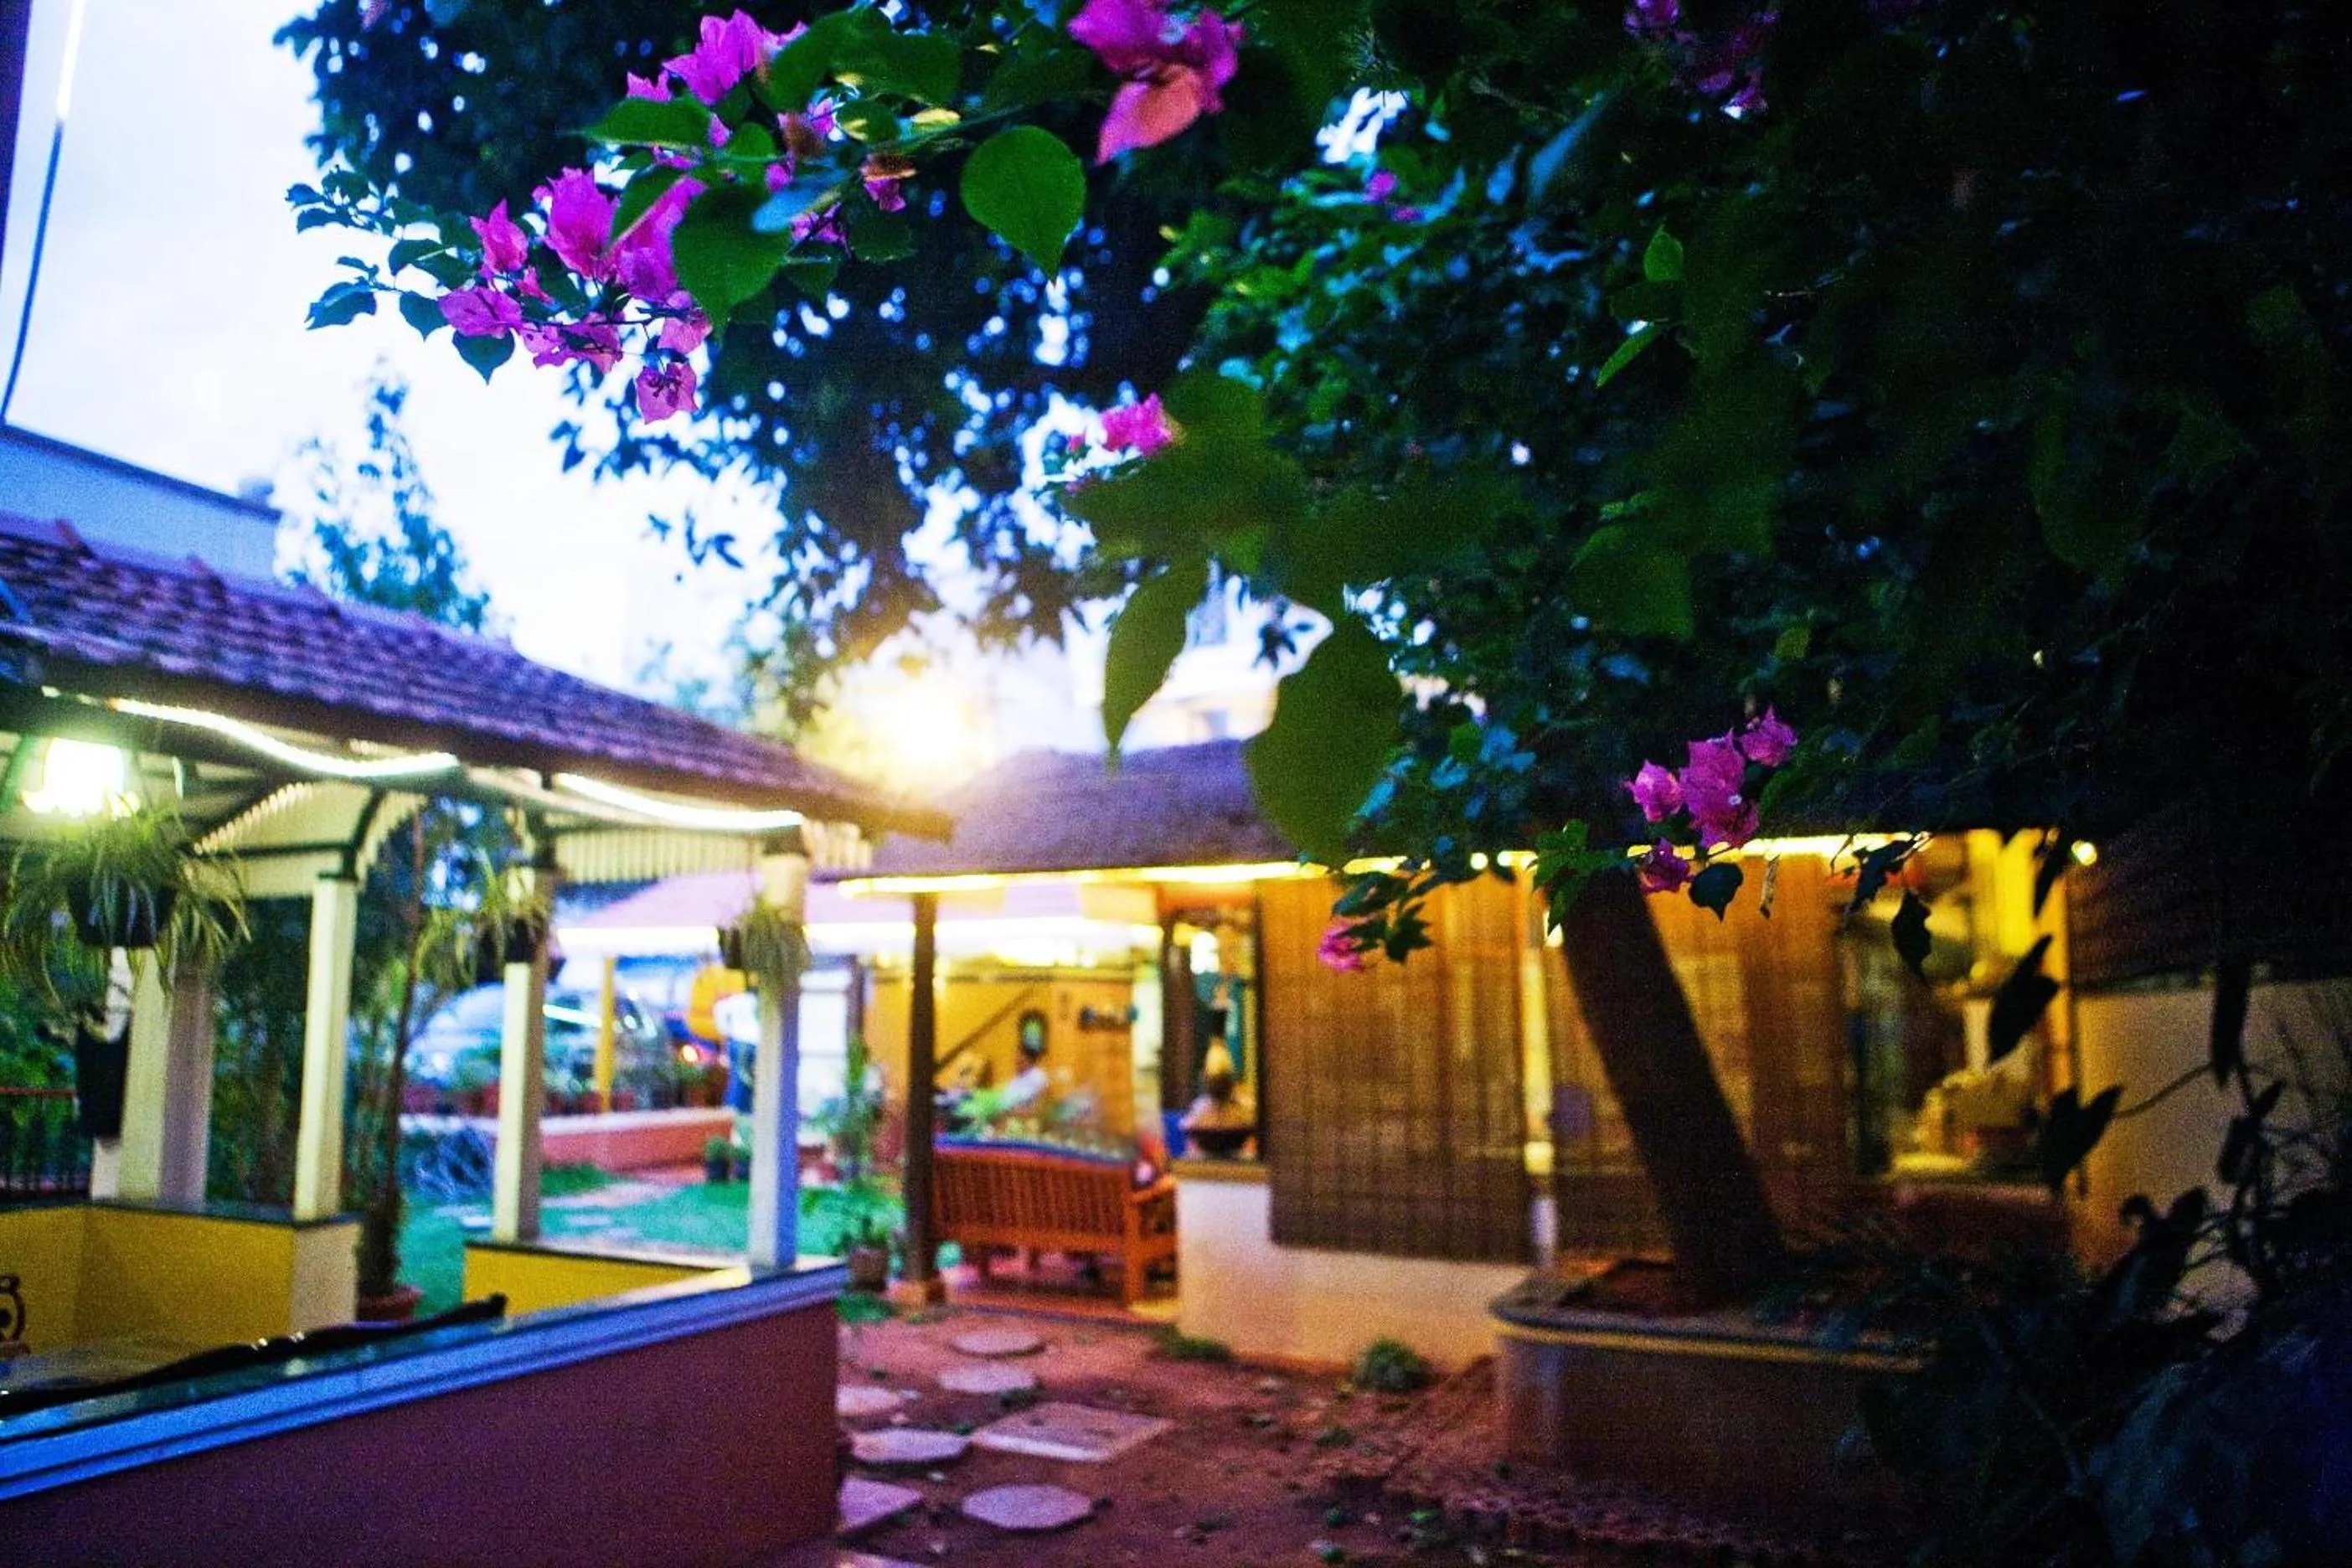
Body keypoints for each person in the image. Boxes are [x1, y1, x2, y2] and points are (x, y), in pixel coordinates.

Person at [1180, 1044, 1256, 1156]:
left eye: (1222, 1080)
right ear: (1206, 1081)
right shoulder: (1199, 1108)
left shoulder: (1245, 1108)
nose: (1218, 1086)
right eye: (1214, 1081)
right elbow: (1191, 1145)